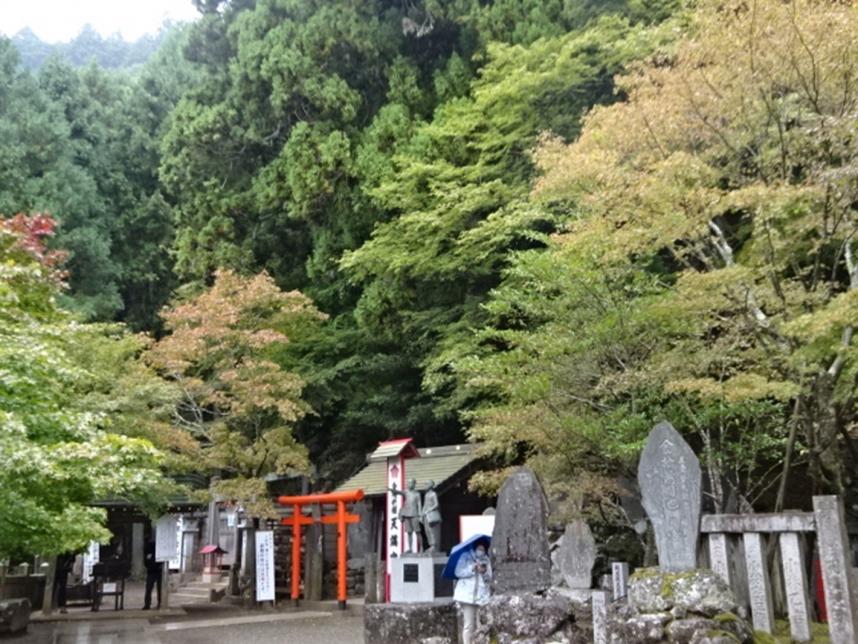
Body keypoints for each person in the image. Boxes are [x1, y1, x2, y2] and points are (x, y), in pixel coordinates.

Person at [453, 538, 491, 644]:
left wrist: (484, 573)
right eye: (479, 548)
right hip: (467, 595)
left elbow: (489, 578)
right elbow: (458, 572)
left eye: (483, 549)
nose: (481, 551)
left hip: (481, 596)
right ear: (475, 548)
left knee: (481, 624)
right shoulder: (465, 557)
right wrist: (472, 568)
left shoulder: (486, 560)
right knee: (469, 624)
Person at [389, 478, 422, 552]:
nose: (408, 484)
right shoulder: (406, 492)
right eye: (408, 483)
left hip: (414, 514)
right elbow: (398, 492)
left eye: (410, 483)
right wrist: (392, 490)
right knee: (409, 532)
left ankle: (421, 547)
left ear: (414, 484)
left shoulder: (417, 494)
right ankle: (410, 548)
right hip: (407, 514)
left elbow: (419, 504)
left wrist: (420, 515)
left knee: (417, 531)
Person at [421, 480, 442, 553]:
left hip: (432, 514)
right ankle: (431, 545)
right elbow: (424, 505)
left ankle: (434, 545)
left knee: (432, 530)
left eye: (427, 484)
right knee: (427, 530)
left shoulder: (433, 494)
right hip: (426, 515)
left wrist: (429, 510)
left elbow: (436, 504)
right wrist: (421, 514)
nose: (426, 485)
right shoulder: (426, 495)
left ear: (431, 485)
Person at [143, 540, 161, 610]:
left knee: (149, 588)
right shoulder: (150, 549)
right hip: (154, 571)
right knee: (152, 588)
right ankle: (149, 604)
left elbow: (146, 561)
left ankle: (147, 604)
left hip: (152, 571)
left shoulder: (149, 550)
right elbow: (146, 561)